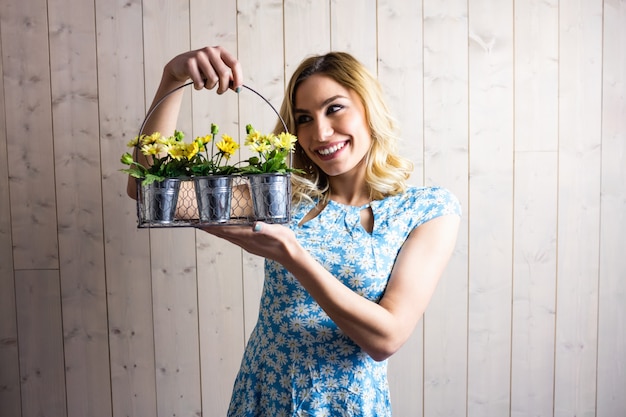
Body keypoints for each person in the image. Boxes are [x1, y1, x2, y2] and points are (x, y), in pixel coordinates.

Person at [128, 46, 461, 416]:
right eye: (303, 118)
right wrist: (173, 77)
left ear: (369, 108)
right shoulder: (281, 197)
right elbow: (152, 194)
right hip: (266, 398)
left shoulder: (425, 210)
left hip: (347, 405)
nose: (320, 132)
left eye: (334, 108)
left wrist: (292, 255)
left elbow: (386, 338)